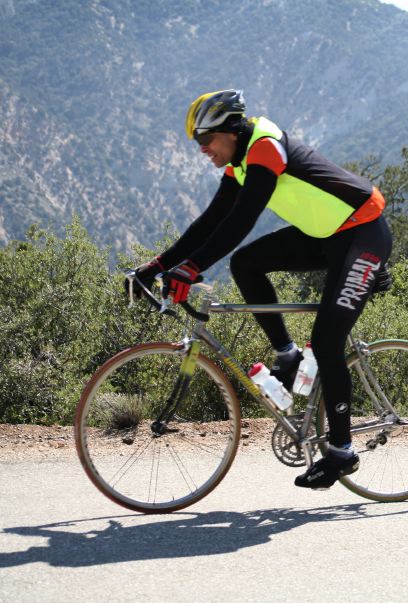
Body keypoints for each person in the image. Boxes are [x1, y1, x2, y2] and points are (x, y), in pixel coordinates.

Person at [127, 89, 393, 490]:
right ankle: (287, 357)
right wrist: (157, 266)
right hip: (326, 235)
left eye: (205, 140)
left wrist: (193, 267)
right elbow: (211, 221)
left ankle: (340, 451)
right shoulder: (240, 162)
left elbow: (239, 223)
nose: (201, 150)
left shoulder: (265, 149)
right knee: (246, 263)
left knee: (326, 340)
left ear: (231, 131)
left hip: (362, 234)